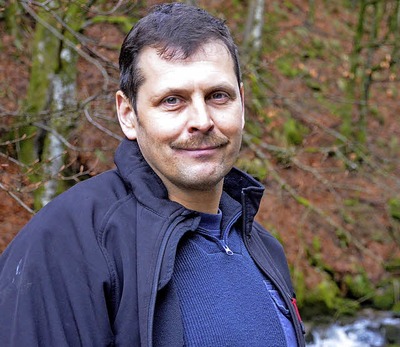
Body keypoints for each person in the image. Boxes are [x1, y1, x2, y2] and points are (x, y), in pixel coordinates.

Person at [0, 3, 304, 346]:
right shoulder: (68, 243)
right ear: (128, 115)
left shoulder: (262, 247)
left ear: (242, 104)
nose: (202, 121)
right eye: (173, 100)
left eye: (218, 96)